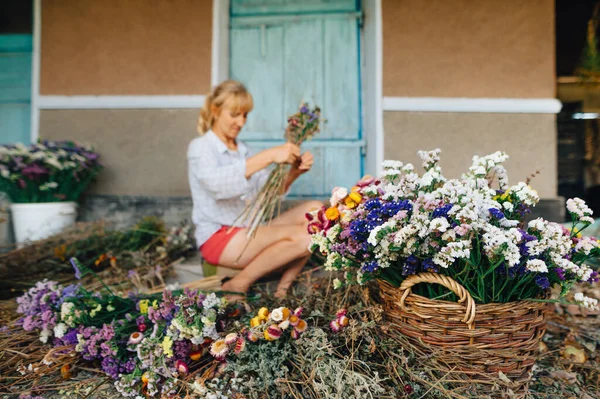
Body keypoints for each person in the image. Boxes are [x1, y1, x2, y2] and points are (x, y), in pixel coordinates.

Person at [187, 80, 323, 298]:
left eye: (245, 115)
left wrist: (294, 173)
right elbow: (216, 186)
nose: (240, 122)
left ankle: (282, 290)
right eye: (234, 114)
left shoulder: (243, 150)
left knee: (317, 214)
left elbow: (267, 192)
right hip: (220, 236)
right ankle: (239, 283)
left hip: (247, 229)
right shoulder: (201, 148)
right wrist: (268, 155)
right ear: (215, 110)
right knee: (308, 237)